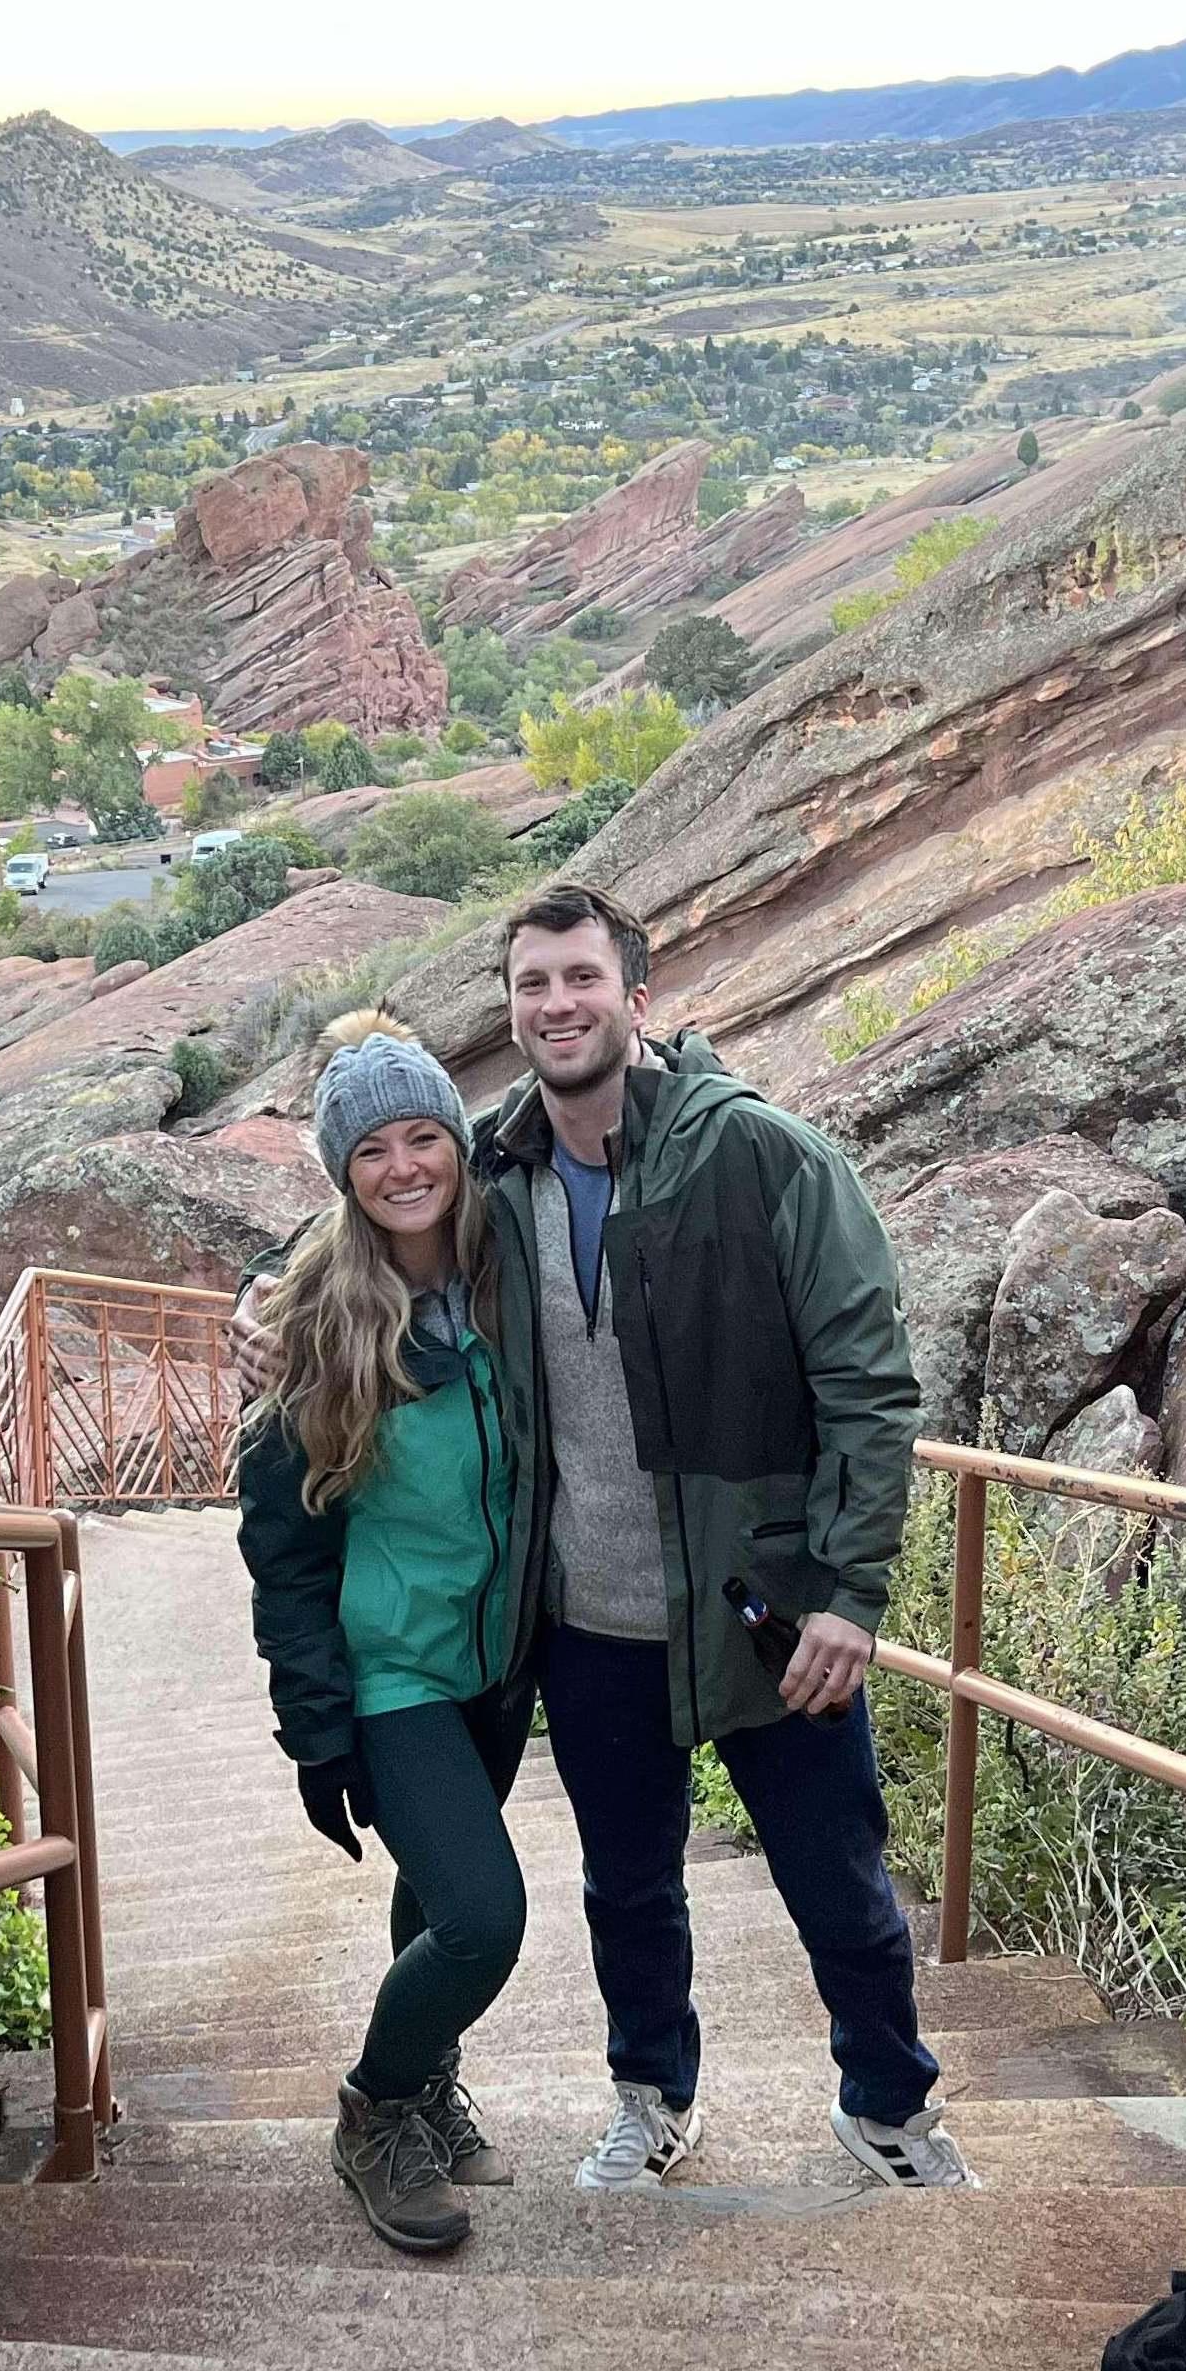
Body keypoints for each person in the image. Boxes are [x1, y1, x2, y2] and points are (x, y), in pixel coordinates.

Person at [242, 883, 972, 2196]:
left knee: (839, 1886)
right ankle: (650, 2100)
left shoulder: (765, 1157)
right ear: (510, 1012)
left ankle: (890, 2110)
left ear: (638, 996)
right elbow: (374, 1198)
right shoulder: (500, 1170)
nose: (558, 1004)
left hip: (763, 1605)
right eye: (532, 984)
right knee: (628, 1893)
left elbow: (871, 1381)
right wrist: (266, 1307)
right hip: (586, 1624)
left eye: (582, 978)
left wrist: (851, 1590)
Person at [239, 1012, 538, 2258]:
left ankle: (424, 2085)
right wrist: (319, 1730)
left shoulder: (511, 1271)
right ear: (340, 1173)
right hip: (395, 1672)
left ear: (460, 1145)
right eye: (373, 1150)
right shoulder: (312, 1323)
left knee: (434, 1888)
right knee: (483, 1915)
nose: (406, 1166)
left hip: (498, 1660)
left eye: (427, 1136)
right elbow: (283, 1551)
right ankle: (374, 2107)